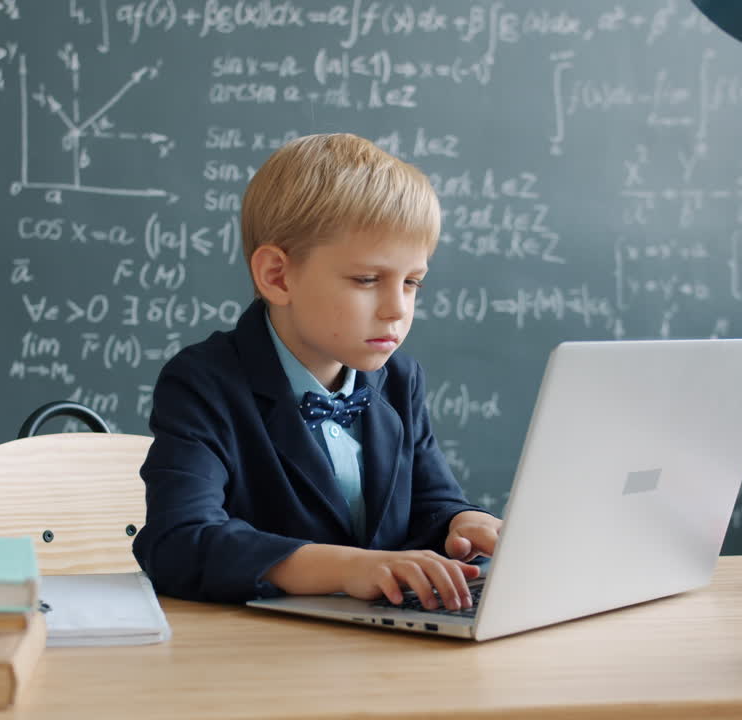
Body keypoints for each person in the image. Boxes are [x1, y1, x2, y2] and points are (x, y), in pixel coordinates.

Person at [132, 133, 502, 611]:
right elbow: (178, 542)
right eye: (367, 280)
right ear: (278, 277)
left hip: (380, 652)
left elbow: (432, 504)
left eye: (412, 283)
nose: (397, 309)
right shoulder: (205, 383)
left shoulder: (399, 381)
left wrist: (462, 522)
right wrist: (348, 568)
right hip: (257, 656)